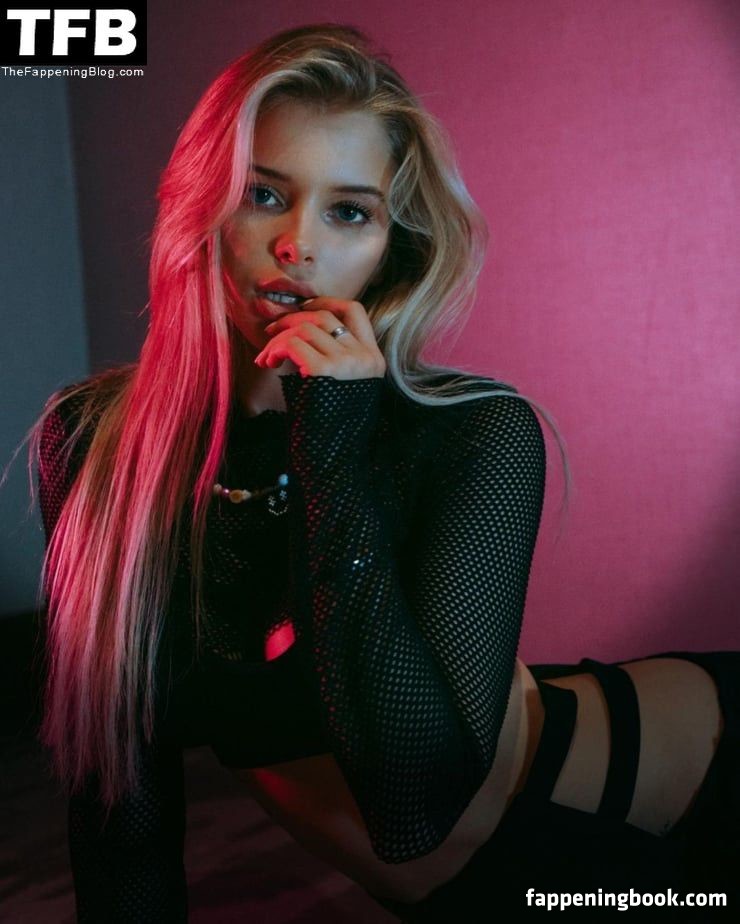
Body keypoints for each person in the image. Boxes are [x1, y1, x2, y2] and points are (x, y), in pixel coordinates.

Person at [32, 23, 738, 922]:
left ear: (389, 249)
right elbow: (119, 809)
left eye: (349, 212)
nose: (298, 244)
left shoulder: (472, 433)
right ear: (200, 208)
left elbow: (414, 807)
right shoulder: (97, 447)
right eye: (263, 194)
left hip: (655, 810)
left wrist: (330, 438)